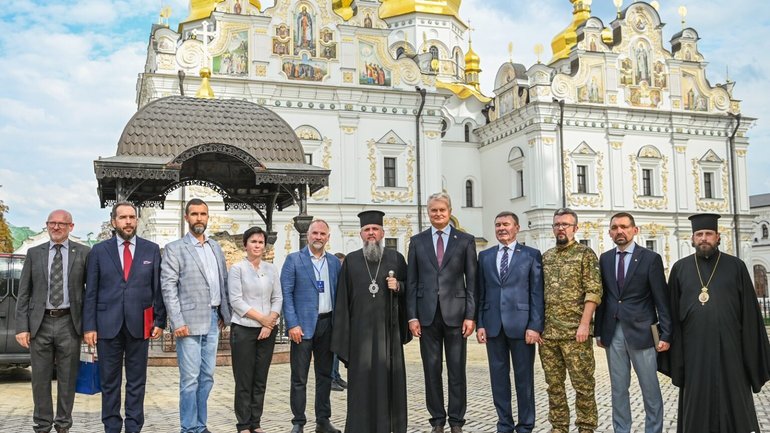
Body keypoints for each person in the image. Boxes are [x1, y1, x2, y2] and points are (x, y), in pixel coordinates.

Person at [659, 213, 770, 432]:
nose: (704, 238)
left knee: (734, 397)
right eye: (699, 234)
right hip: (694, 351)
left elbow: (750, 313)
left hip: (732, 349)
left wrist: (752, 353)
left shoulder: (736, 266)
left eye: (709, 234)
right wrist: (671, 346)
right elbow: (671, 312)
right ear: (692, 239)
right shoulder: (680, 268)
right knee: (696, 400)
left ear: (718, 237)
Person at [83, 202, 166, 433]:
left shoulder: (151, 249)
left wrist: (159, 320)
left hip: (140, 324)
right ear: (114, 222)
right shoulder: (99, 251)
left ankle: (133, 426)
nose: (128, 221)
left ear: (137, 220)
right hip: (106, 325)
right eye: (123, 218)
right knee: (109, 382)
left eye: (132, 217)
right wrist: (89, 326)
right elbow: (91, 291)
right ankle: (111, 426)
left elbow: (157, 288)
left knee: (137, 381)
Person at [331, 210, 410, 433]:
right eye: (367, 230)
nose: (371, 233)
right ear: (361, 234)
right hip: (359, 335)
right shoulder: (352, 261)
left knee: (389, 381)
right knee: (361, 384)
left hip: (389, 334)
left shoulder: (396, 259)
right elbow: (342, 301)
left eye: (375, 229)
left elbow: (411, 290)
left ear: (383, 232)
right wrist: (343, 339)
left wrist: (400, 287)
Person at [407, 192, 478, 433]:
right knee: (431, 369)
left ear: (449, 212)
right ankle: (437, 419)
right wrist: (412, 316)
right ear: (428, 212)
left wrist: (471, 315)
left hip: (457, 316)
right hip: (426, 316)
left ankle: (457, 420)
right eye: (433, 210)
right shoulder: (417, 241)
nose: (438, 214)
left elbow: (472, 282)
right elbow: (413, 281)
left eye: (442, 210)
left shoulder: (466, 240)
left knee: (456, 370)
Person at [594, 212, 671, 433]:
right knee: (619, 389)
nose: (620, 231)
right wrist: (599, 332)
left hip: (643, 333)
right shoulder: (605, 258)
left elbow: (661, 299)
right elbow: (605, 297)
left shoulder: (650, 258)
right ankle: (621, 429)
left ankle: (653, 430)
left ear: (634, 230)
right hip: (613, 333)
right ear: (609, 232)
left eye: (624, 227)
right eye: (615, 227)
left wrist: (666, 335)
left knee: (650, 389)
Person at [15, 209, 90, 433]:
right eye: (52, 223)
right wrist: (22, 327)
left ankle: (63, 425)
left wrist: (89, 326)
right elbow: (24, 293)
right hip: (40, 324)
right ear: (47, 225)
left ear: (71, 227)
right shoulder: (34, 253)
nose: (56, 227)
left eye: (61, 223)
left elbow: (91, 292)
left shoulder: (84, 253)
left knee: (68, 379)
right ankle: (42, 425)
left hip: (70, 323)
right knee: (40, 379)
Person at [160, 198, 231, 433]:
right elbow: (168, 288)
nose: (199, 218)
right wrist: (176, 321)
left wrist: (223, 312)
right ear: (186, 218)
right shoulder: (175, 249)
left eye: (203, 214)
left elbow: (222, 281)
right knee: (190, 380)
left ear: (207, 217)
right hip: (188, 324)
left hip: (213, 320)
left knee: (207, 377)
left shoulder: (215, 247)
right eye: (194, 214)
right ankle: (188, 428)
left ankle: (201, 426)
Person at [476, 211, 543, 433]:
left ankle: (525, 425)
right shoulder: (485, 257)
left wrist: (535, 326)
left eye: (506, 224)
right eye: (497, 225)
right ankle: (504, 424)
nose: (501, 228)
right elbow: (481, 293)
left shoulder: (531, 255)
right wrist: (481, 324)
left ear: (517, 227)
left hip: (522, 327)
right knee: (498, 380)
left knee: (524, 380)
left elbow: (536, 293)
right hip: (493, 326)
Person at [540, 208, 602, 433]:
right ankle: (559, 427)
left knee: (583, 385)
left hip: (576, 334)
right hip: (549, 335)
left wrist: (585, 324)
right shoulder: (546, 257)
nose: (561, 228)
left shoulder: (585, 254)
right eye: (557, 224)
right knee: (554, 386)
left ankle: (586, 427)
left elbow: (593, 291)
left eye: (565, 224)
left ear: (575, 228)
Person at [281, 219, 342, 433]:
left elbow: (340, 295)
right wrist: (292, 324)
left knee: (325, 376)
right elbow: (286, 295)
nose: (318, 237)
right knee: (299, 378)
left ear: (328, 237)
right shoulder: (294, 260)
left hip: (327, 325)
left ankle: (323, 421)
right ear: (308, 235)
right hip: (302, 328)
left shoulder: (334, 262)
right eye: (315, 233)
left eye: (322, 234)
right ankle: (298, 422)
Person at [228, 226, 282, 433]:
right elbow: (236, 301)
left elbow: (277, 298)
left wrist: (271, 321)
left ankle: (256, 423)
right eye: (253, 241)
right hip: (244, 330)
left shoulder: (271, 269)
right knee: (244, 379)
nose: (257, 245)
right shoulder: (237, 269)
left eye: (260, 242)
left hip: (267, 332)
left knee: (260, 379)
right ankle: (243, 424)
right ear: (245, 245)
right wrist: (263, 320)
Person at [330, 252, 347, 392]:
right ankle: (332, 378)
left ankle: (336, 375)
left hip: (340, 318)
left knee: (337, 350)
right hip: (331, 318)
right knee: (333, 351)